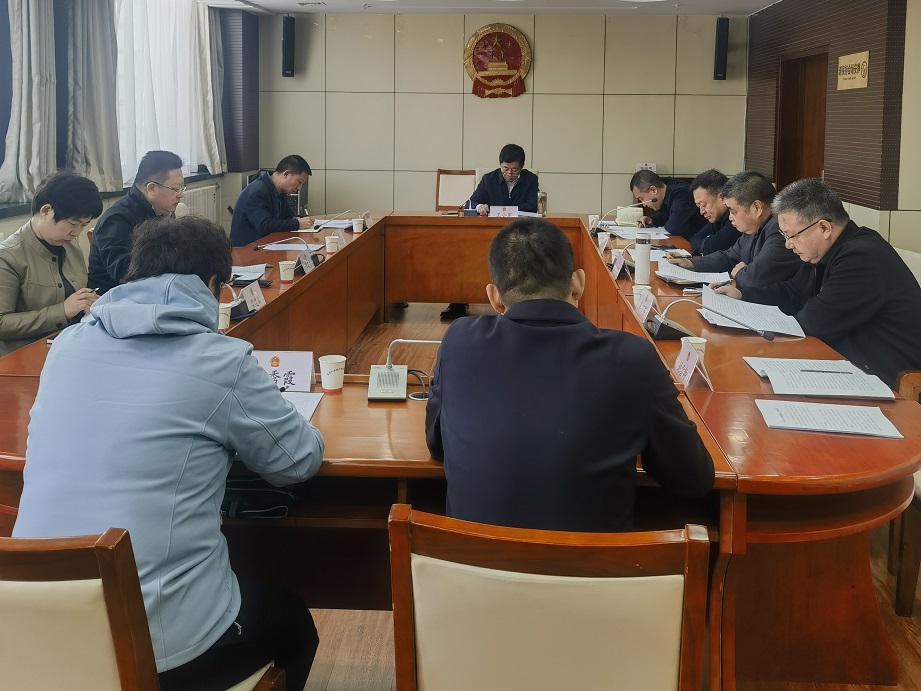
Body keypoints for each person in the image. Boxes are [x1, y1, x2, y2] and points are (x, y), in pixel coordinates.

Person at [13, 215, 324, 691]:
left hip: (36, 629)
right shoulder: (220, 358)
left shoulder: (67, 345)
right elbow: (296, 462)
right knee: (295, 625)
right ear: (215, 284)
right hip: (157, 646)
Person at [425, 217, 715, 532]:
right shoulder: (632, 358)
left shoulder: (458, 342)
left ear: (494, 297)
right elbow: (693, 478)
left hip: (471, 561)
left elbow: (437, 446)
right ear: (578, 283)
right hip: (596, 563)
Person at [715, 178, 921, 388]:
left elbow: (813, 322)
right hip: (846, 362)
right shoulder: (823, 253)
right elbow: (792, 292)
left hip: (889, 380)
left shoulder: (862, 257)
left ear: (824, 228)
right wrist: (743, 295)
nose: (788, 245)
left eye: (792, 235)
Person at [0, 171, 103, 355]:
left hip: (70, 342)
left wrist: (87, 302)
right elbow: (2, 323)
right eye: (73, 223)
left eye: (84, 225)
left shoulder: (70, 246)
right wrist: (62, 311)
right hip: (24, 356)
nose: (76, 233)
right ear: (46, 211)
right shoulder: (8, 256)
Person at [443, 144, 541, 320]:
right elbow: (471, 202)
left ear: (521, 167)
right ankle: (458, 300)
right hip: (488, 233)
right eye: (505, 168)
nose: (509, 173)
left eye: (514, 169)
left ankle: (521, 302)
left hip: (519, 232)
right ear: (500, 165)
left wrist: (502, 210)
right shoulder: (489, 179)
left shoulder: (530, 179)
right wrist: (480, 206)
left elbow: (532, 206)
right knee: (466, 253)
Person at [666, 170, 801, 290]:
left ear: (757, 208)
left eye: (733, 211)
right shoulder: (752, 228)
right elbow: (729, 257)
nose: (730, 217)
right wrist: (690, 263)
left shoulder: (780, 230)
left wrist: (739, 273)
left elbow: (754, 279)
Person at [87, 150, 185, 295]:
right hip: (115, 299)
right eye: (175, 189)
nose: (181, 194)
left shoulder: (163, 211)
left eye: (182, 187)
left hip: (154, 292)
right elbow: (127, 276)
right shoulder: (115, 220)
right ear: (151, 188)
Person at [230, 154, 315, 247]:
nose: (299, 188)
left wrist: (299, 219)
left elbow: (288, 216)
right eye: (299, 182)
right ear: (286, 174)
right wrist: (297, 223)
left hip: (267, 245)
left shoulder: (279, 190)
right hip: (247, 250)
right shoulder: (257, 192)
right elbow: (264, 225)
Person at [630, 169, 707, 239]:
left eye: (642, 199)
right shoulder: (666, 191)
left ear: (653, 190)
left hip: (699, 243)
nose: (644, 204)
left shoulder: (681, 193)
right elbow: (667, 215)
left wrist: (665, 225)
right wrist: (651, 220)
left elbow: (675, 227)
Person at [687, 169, 738, 255]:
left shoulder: (736, 219)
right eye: (699, 206)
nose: (701, 212)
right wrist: (707, 243)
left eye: (704, 205)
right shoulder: (717, 217)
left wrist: (706, 242)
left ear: (721, 197)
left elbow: (711, 248)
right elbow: (695, 238)